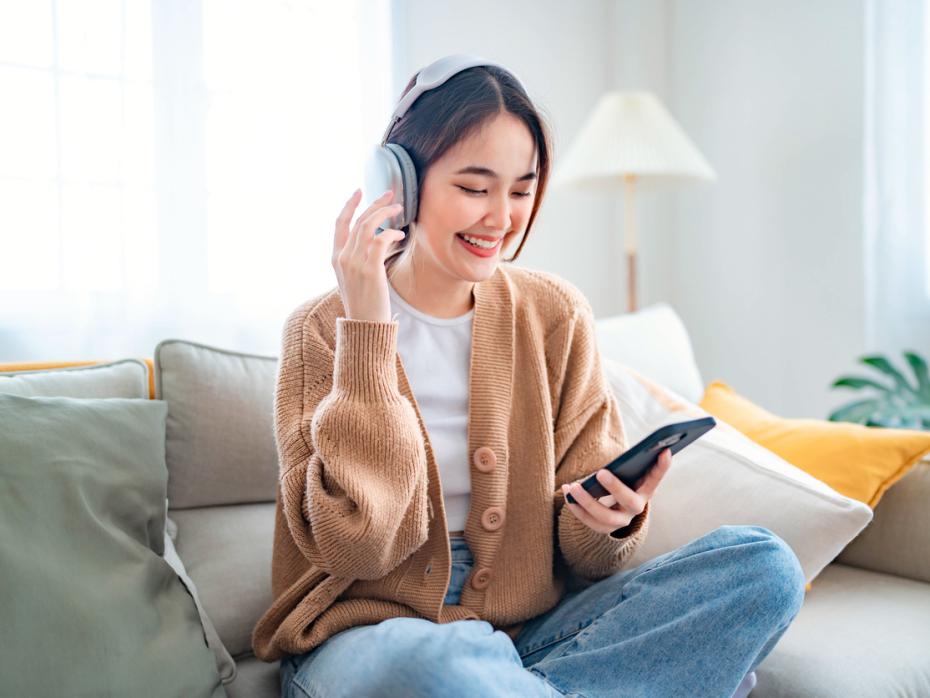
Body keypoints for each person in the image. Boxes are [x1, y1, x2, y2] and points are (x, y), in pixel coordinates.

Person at [251, 55, 806, 698]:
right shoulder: (321, 330)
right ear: (398, 185)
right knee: (436, 670)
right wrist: (369, 328)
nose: (501, 217)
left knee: (763, 568)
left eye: (520, 189)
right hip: (375, 642)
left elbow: (590, 562)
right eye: (474, 186)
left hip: (531, 634)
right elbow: (358, 549)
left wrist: (605, 521)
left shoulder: (554, 314)